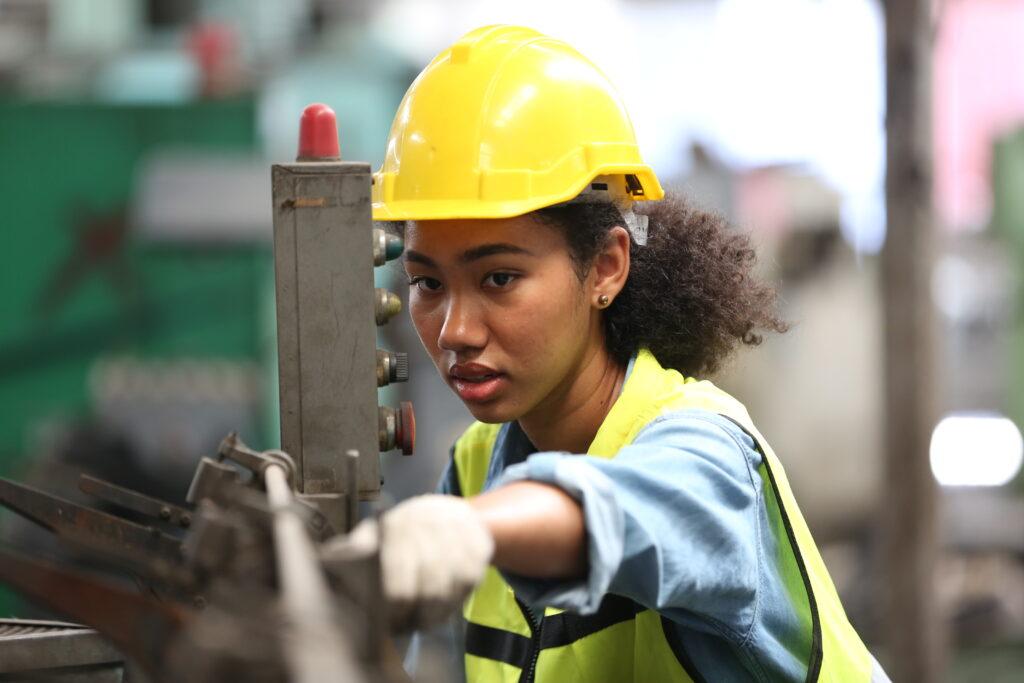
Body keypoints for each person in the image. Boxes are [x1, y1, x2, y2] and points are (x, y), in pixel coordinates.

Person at [347, 24, 890, 682]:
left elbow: (615, 510)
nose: (455, 328)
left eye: (498, 279)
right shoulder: (475, 467)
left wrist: (469, 529)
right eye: (428, 283)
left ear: (604, 266)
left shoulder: (706, 454)